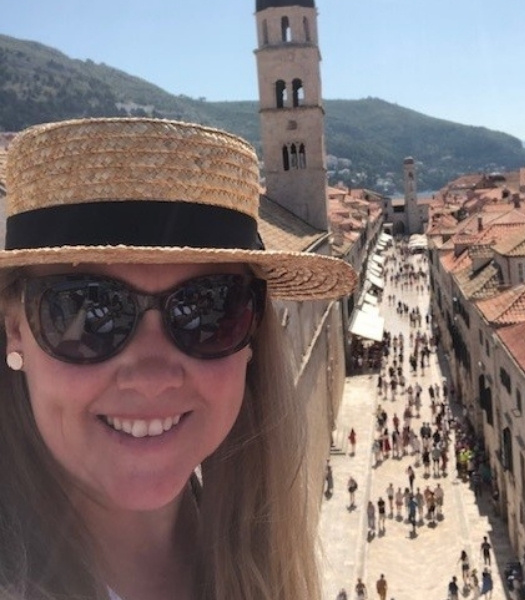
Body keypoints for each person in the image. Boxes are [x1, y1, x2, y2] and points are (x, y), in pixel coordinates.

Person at [0, 118, 356, 600]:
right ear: (15, 329)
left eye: (207, 310)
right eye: (90, 309)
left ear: (252, 330)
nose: (153, 378)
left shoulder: (252, 564)